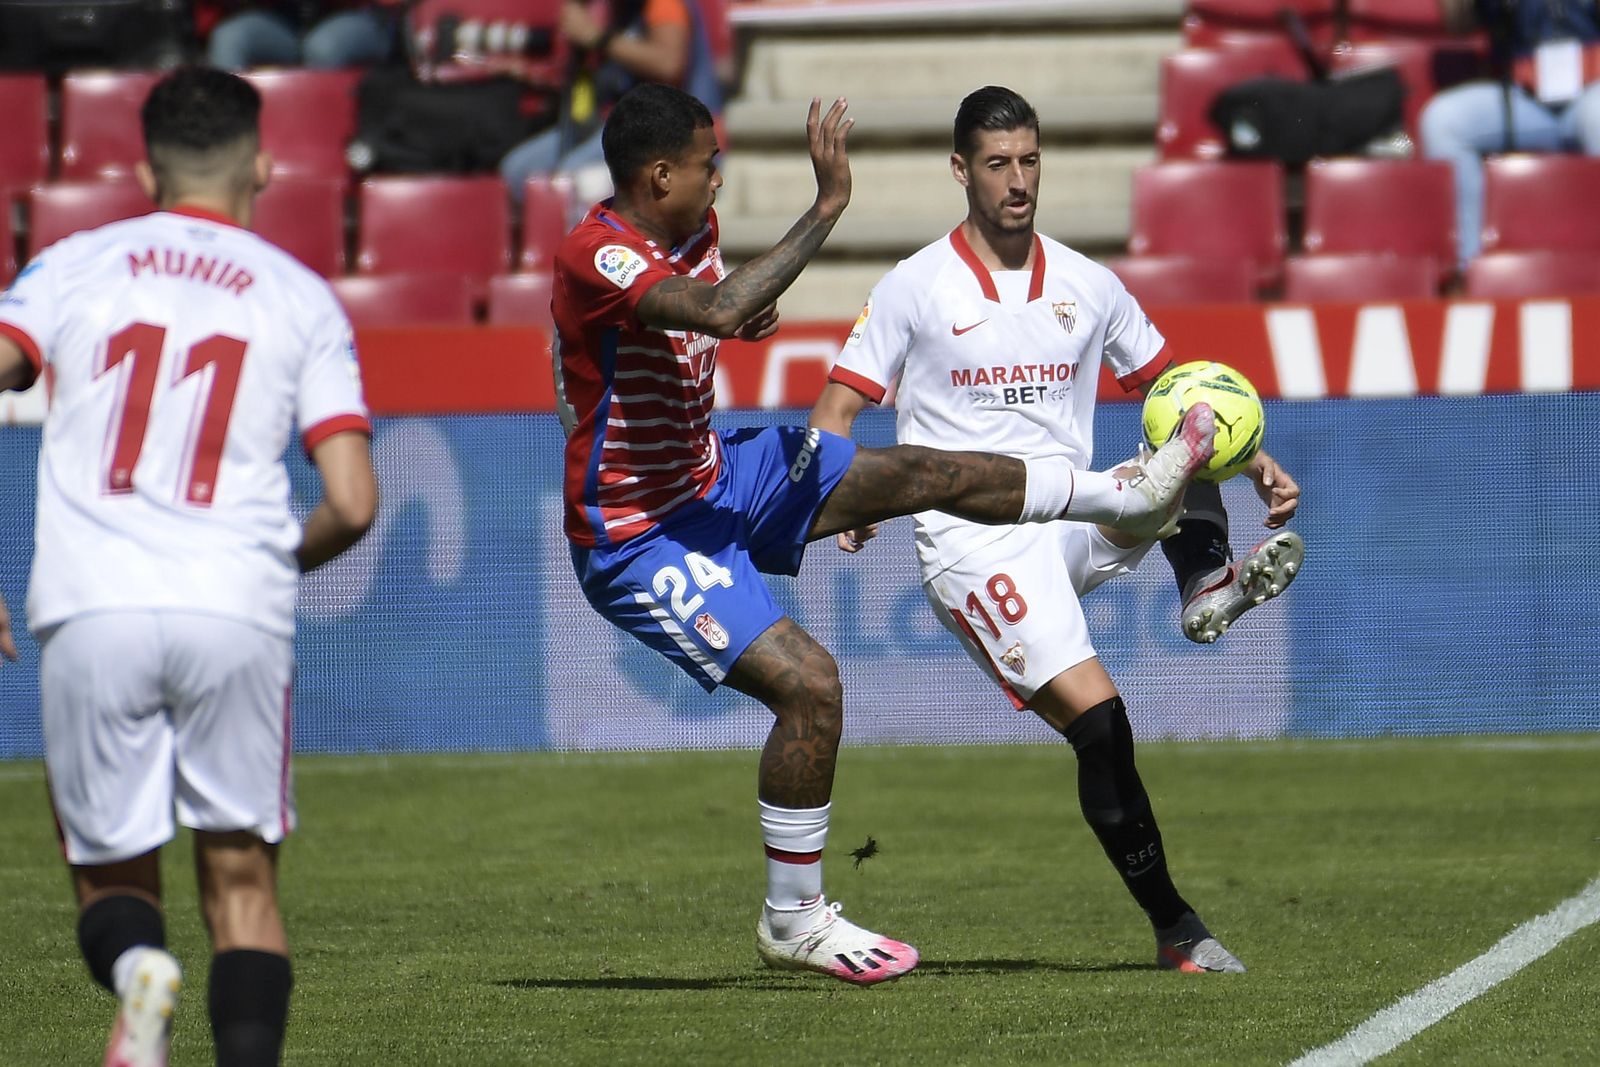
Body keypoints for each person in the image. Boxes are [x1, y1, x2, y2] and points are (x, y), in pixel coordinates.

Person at [551, 81, 1222, 985]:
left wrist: (741, 316)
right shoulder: (595, 251)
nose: (720, 180)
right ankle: (793, 919)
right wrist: (825, 206)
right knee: (812, 687)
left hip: (718, 476)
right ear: (659, 175)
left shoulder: (691, 230)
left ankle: (1121, 494)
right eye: (710, 165)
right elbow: (705, 311)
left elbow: (708, 315)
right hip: (641, 532)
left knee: (922, 470)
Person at [809, 86, 1305, 973]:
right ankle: (1178, 929)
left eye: (1030, 160)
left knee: (1184, 442)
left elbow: (1178, 390)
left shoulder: (1088, 282)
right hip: (974, 545)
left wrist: (1255, 459)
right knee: (1101, 723)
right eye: (998, 163)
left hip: (1073, 510)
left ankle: (1206, 585)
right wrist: (847, 497)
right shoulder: (915, 285)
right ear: (960, 170)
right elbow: (836, 410)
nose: (1018, 180)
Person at [0, 67, 377, 1066]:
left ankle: (138, 973)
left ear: (143, 170)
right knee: (243, 886)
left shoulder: (72, 265)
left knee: (113, 879)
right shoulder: (301, 297)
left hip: (92, 602)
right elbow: (352, 501)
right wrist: (268, 563)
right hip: (231, 603)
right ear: (262, 165)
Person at [1420, 0, 1600, 269]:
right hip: (1522, 96)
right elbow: (1458, 23)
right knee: (1443, 120)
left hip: (1592, 90)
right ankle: (1468, 268)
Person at [499, 0, 724, 205]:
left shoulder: (664, 4)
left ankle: (595, 235)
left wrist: (596, 37)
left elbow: (669, 63)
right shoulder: (615, 9)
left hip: (668, 130)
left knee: (570, 178)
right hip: (607, 122)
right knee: (517, 171)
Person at [201, 1, 401, 71]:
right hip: (288, 22)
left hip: (359, 16)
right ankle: (226, 137)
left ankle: (321, 137)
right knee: (230, 38)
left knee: (323, 47)